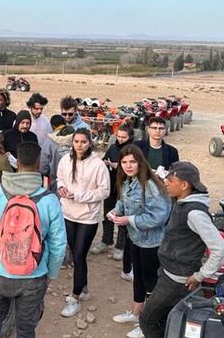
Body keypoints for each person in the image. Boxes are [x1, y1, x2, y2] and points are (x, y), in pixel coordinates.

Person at [0, 141, 67, 338]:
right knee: (25, 329)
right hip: (34, 275)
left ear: (17, 161)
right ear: (39, 163)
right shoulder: (49, 200)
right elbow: (59, 245)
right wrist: (51, 274)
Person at [139, 162, 224, 338]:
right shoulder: (183, 202)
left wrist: (200, 275)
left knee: (147, 320)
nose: (166, 183)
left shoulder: (194, 213)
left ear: (184, 185)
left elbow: (221, 250)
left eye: (170, 180)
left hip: (177, 281)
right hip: (169, 273)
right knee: (169, 318)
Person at [107, 144, 171, 338]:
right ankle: (136, 313)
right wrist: (116, 211)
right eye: (124, 162)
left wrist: (129, 220)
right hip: (135, 238)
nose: (128, 165)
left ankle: (148, 324)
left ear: (140, 162)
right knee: (139, 279)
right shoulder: (128, 181)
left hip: (151, 242)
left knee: (150, 282)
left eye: (132, 161)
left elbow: (159, 216)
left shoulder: (150, 185)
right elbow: (123, 202)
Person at [56, 128, 111, 317]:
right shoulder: (65, 160)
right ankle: (84, 289)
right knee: (75, 254)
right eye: (76, 141)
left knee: (79, 256)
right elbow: (60, 178)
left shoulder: (98, 165)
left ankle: (75, 297)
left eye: (83, 142)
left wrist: (79, 195)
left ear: (90, 143)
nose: (79, 145)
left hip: (88, 217)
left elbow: (104, 191)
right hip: (68, 213)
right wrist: (61, 188)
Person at [91, 124, 134, 268]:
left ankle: (120, 246)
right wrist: (105, 163)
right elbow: (104, 159)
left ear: (130, 137)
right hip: (111, 186)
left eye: (124, 137)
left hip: (126, 188)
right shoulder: (112, 147)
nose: (120, 139)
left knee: (122, 216)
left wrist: (119, 167)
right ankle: (106, 240)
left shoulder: (132, 150)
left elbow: (137, 167)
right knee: (108, 213)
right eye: (119, 136)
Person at [42, 115, 75, 191]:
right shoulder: (77, 138)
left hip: (56, 182)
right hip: (75, 180)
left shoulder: (49, 141)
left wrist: (45, 173)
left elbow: (44, 165)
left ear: (53, 127)